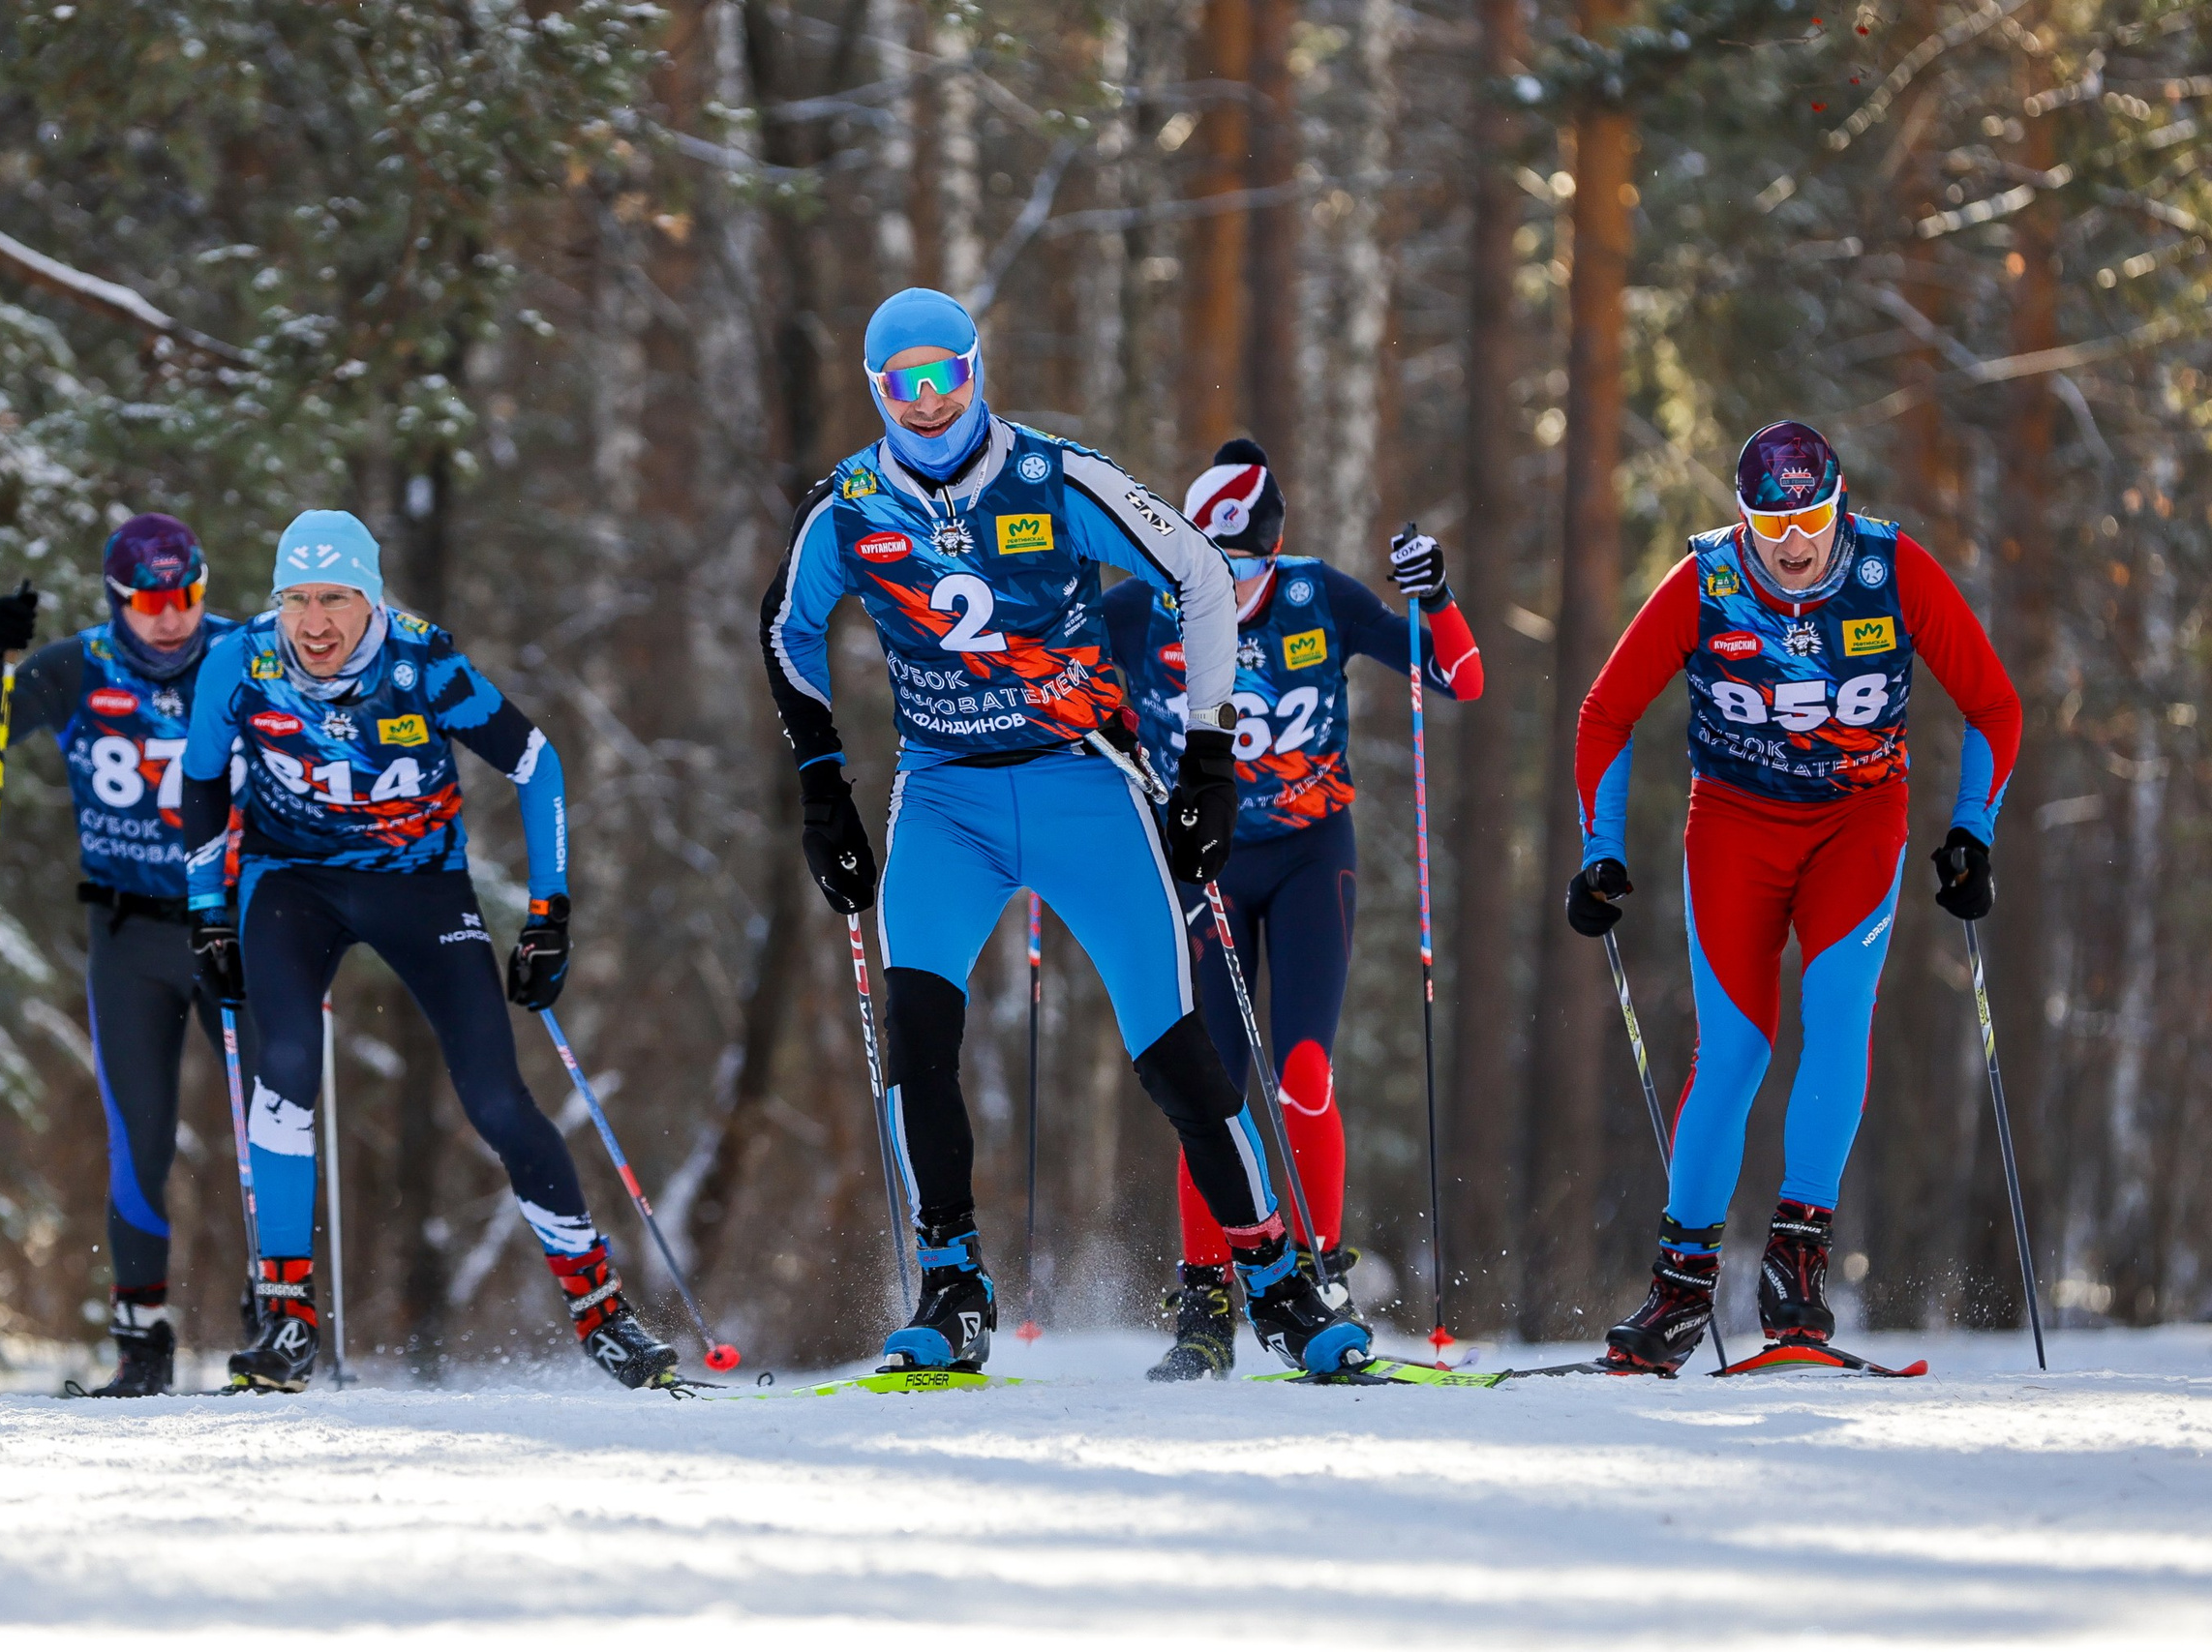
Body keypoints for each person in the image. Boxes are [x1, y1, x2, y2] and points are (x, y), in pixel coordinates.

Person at [761, 288, 1371, 1376]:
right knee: (919, 1033)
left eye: (947, 374)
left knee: (1175, 1053)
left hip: (1083, 785)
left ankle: (1274, 1276)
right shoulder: (850, 504)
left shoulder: (1052, 475)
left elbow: (1197, 574)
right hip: (944, 799)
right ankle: (952, 1286)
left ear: (977, 369)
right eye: (905, 384)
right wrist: (821, 783)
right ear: (876, 392)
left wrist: (1207, 757)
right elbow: (785, 628)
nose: (930, 402)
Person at [178, 510, 676, 1392]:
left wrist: (549, 914)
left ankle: (602, 1309)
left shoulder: (424, 665)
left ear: (372, 600)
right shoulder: (240, 661)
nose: (315, 622)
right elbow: (204, 775)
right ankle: (287, 1318)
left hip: (420, 885)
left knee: (495, 1097)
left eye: (336, 598)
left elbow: (537, 764)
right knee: (285, 1061)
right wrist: (208, 910)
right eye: (297, 598)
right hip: (289, 883)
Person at [1566, 421, 2020, 1372]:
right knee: (1730, 1052)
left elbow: (1992, 703)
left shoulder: (1890, 570)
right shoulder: (1705, 581)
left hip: (1857, 822)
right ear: (1742, 522)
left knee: (1836, 1022)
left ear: (1838, 502)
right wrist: (1600, 850)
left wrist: (1972, 829)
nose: (1794, 542)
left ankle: (1796, 1263)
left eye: (1811, 517)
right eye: (1770, 525)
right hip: (1733, 823)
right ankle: (1680, 1289)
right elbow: (1606, 711)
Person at [1104, 440, 1486, 1380]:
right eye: (1208, 567)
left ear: (1273, 555)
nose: (1226, 589)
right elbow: (1047, 674)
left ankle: (1316, 1276)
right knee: (1210, 1084)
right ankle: (1205, 1299)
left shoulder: (1319, 599)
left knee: (1305, 1069)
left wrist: (1433, 598)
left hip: (1314, 855)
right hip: (1204, 866)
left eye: (1245, 568)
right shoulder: (1139, 610)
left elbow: (1458, 678)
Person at [0, 514, 246, 1397]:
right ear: (117, 600)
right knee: (138, 1134)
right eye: (149, 601)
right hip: (131, 934)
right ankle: (141, 1340)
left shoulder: (244, 654)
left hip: (238, 921)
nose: (171, 617)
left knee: (272, 1119)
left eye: (185, 595)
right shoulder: (77, 667)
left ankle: (279, 1323)